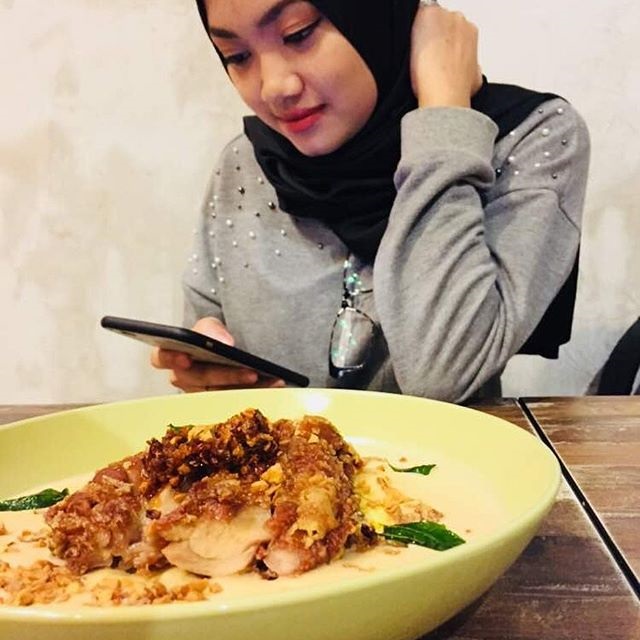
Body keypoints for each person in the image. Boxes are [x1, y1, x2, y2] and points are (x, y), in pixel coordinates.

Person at [151, 0, 590, 402]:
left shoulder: (527, 138)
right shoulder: (248, 162)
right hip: (277, 463)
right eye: (237, 56)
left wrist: (444, 116)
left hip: (433, 462)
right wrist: (205, 369)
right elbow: (205, 323)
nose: (274, 87)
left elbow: (441, 375)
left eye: (298, 33)